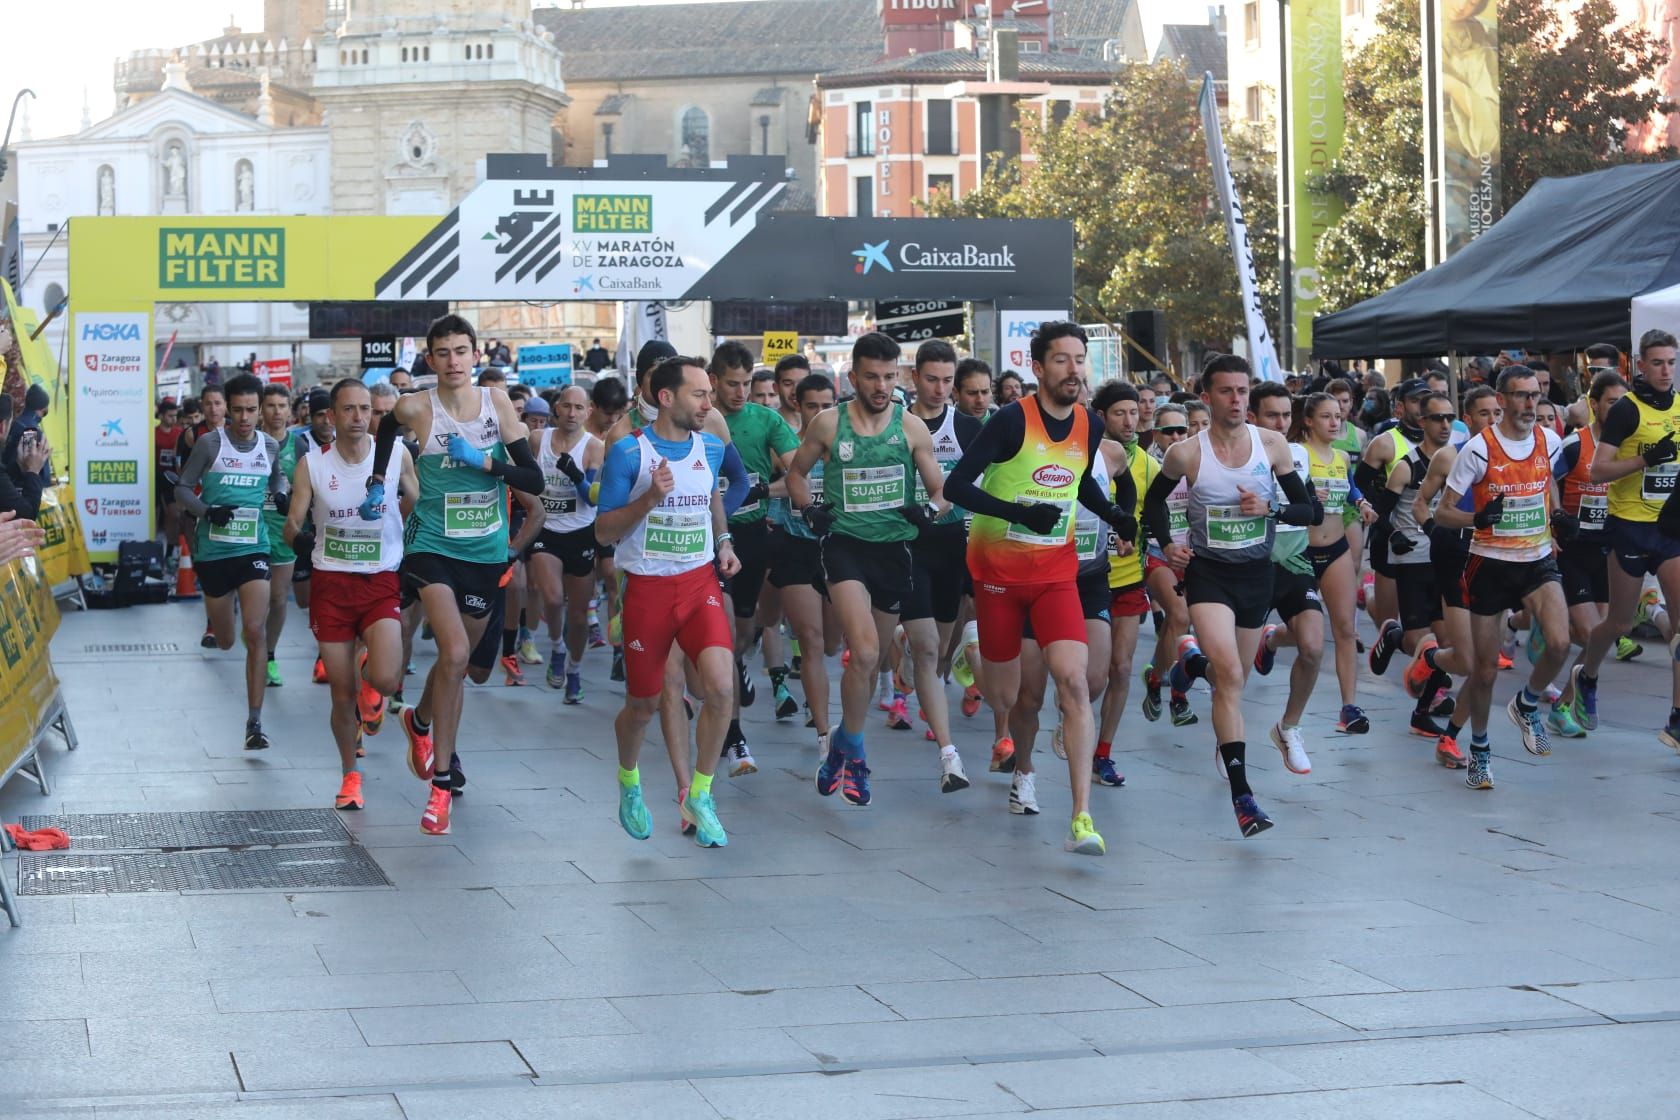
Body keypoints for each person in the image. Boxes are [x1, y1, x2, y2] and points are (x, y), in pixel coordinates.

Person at [943, 322, 1137, 855]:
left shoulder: (1089, 425)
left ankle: (1080, 816)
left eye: (1080, 360)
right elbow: (955, 485)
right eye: (1062, 360)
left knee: (1072, 683)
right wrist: (1018, 512)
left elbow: (1080, 482)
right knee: (1016, 698)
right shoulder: (1010, 422)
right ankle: (1021, 765)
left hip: (1056, 576)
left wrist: (1116, 514)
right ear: (1037, 367)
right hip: (999, 576)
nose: (1074, 370)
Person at [365, 314, 547, 836]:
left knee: (456, 668)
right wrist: (380, 479)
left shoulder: (498, 407)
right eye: (442, 353)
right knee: (456, 655)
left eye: (461, 351)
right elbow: (387, 430)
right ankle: (440, 786)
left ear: (474, 355)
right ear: (429, 359)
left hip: (485, 552)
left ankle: (419, 721)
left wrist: (487, 465)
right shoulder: (415, 406)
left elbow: (532, 479)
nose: (452, 361)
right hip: (432, 548)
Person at [1146, 354, 1322, 837]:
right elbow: (1153, 503)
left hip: (1255, 576)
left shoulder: (1273, 445)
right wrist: (1168, 546)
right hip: (1208, 575)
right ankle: (1244, 798)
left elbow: (1309, 510)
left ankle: (1187, 665)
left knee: (1235, 681)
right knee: (1228, 674)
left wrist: (1272, 507)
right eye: (1226, 391)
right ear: (1206, 397)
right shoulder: (1186, 453)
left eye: (1243, 391)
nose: (1237, 400)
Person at [785, 332, 948, 810]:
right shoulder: (828, 424)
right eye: (872, 377)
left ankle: (844, 743)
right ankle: (855, 755)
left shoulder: (912, 427)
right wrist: (809, 508)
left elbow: (941, 491)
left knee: (870, 661)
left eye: (889, 377)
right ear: (852, 377)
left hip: (893, 551)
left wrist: (930, 513)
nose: (881, 386)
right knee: (868, 649)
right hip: (845, 549)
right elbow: (796, 474)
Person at [595, 356, 739, 847]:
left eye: (709, 394)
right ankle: (629, 781)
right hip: (648, 590)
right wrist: (649, 500)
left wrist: (723, 541)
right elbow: (603, 531)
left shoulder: (712, 446)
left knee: (721, 689)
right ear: (666, 398)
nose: (708, 402)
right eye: (699, 394)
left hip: (699, 584)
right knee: (642, 706)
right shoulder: (628, 454)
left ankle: (699, 793)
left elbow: (712, 498)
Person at [1435, 366, 1574, 789]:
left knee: (1561, 643)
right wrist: (1476, 517)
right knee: (1485, 670)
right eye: (1521, 396)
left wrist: (1554, 514)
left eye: (1535, 395)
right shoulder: (1477, 450)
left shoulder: (1548, 440)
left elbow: (1547, 479)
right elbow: (1442, 513)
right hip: (1489, 563)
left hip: (1535, 559)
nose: (1531, 404)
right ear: (1502, 400)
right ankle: (1479, 749)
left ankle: (1528, 702)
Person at [285, 379, 417, 811]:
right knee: (341, 692)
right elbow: (292, 525)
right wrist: (306, 544)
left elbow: (415, 497)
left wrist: (393, 527)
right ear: (331, 416)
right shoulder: (313, 464)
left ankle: (372, 680)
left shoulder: (396, 454)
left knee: (383, 678)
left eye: (366, 409)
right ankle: (350, 776)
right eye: (350, 410)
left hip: (379, 579)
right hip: (331, 583)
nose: (359, 418)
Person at [1560, 330, 1680, 749]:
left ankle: (1677, 718)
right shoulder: (1628, 411)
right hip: (1628, 526)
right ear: (1640, 366)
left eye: (1671, 362)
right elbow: (1597, 471)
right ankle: (1587, 676)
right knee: (1619, 623)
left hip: (1670, 530)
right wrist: (1647, 459)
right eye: (1658, 363)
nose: (1666, 371)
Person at [173, 373, 290, 752]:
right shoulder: (210, 444)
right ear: (225, 408)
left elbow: (278, 479)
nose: (243, 418)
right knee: (226, 640)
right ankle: (223, 630)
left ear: (260, 409)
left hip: (254, 548)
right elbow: (180, 488)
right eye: (236, 410)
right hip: (213, 553)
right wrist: (207, 511)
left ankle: (255, 722)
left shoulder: (270, 446)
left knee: (254, 631)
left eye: (250, 410)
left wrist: (282, 495)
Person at [710, 341, 799, 773]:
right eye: (732, 384)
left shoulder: (766, 420)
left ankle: (740, 663)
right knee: (724, 634)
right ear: (713, 381)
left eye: (747, 383)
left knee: (742, 632)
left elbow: (798, 474)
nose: (741, 392)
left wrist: (765, 488)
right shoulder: (699, 419)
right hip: (705, 539)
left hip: (749, 534)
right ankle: (735, 738)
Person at [901, 339, 983, 792]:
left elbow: (980, 480)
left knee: (942, 649)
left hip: (953, 544)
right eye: (931, 379)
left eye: (948, 380)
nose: (940, 389)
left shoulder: (967, 427)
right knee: (929, 648)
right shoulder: (898, 424)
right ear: (915, 378)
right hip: (908, 544)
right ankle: (949, 756)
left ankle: (911, 670)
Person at [1365, 390, 1465, 738]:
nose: (1445, 425)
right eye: (1438, 418)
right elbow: (1380, 513)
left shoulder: (1459, 460)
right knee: (1421, 642)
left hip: (1445, 559)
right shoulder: (1407, 466)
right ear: (1422, 422)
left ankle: (1421, 712)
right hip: (1412, 560)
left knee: (1447, 642)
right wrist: (1393, 535)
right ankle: (1393, 635)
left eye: (1450, 418)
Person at [1247, 380, 1324, 772]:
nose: (1281, 422)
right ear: (1251, 417)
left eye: (1286, 414)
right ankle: (1192, 668)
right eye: (1271, 415)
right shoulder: (1234, 455)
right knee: (1230, 670)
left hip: (1294, 562)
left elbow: (1312, 512)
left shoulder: (1297, 455)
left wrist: (1282, 509)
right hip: (1249, 565)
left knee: (1312, 647)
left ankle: (1288, 728)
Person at [1293, 392, 1378, 733]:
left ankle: (1349, 708)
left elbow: (1352, 488)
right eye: (1326, 416)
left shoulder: (1342, 456)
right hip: (1301, 552)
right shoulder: (1297, 455)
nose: (1334, 422)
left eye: (1338, 417)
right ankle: (1271, 640)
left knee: (1345, 630)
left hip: (1337, 548)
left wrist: (1363, 504)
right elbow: (1280, 491)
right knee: (1303, 635)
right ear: (1309, 421)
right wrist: (1306, 495)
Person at [766, 373, 840, 753]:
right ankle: (825, 733)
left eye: (827, 405)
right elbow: (777, 486)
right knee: (810, 641)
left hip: (839, 550)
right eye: (812, 405)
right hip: (795, 546)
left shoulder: (849, 446)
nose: (820, 413)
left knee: (831, 645)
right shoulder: (788, 446)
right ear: (798, 405)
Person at [528, 385, 602, 701]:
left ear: (588, 411)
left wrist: (576, 475)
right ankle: (557, 647)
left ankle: (574, 668)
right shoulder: (538, 440)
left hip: (581, 532)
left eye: (579, 408)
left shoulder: (594, 447)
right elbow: (524, 478)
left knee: (579, 614)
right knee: (554, 598)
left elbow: (591, 497)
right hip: (546, 530)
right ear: (556, 408)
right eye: (567, 406)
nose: (572, 413)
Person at [258, 384, 306, 687]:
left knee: (277, 599)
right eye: (271, 405)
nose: (277, 412)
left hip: (283, 531)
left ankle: (270, 654)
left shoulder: (298, 446)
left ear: (290, 410)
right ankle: (256, 648)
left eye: (282, 405)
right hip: (251, 531)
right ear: (261, 409)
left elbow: (306, 488)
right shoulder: (250, 442)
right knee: (256, 600)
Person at [3, 384, 53, 486]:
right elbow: (29, 464)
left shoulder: (16, 423)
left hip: (10, 483)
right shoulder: (30, 430)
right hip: (25, 491)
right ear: (42, 407)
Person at [154, 400, 184, 557]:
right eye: (170, 416)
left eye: (175, 416)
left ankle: (171, 549)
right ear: (161, 416)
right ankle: (152, 547)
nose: (173, 419)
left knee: (174, 514)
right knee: (154, 513)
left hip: (172, 478)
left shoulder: (179, 432)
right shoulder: (153, 433)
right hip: (154, 477)